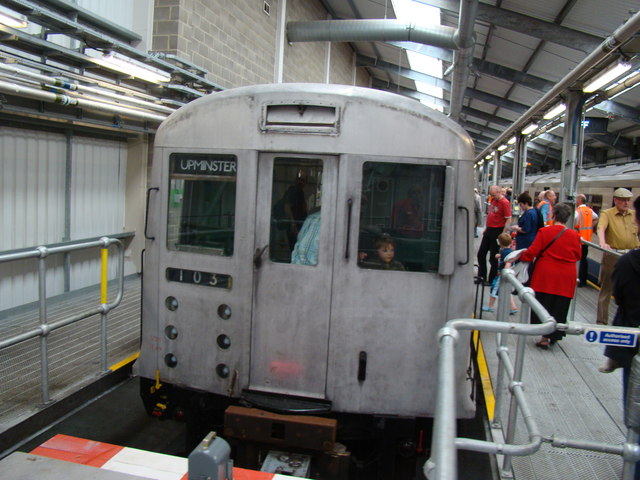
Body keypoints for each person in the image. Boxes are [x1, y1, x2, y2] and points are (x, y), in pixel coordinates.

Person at [520, 203, 581, 349]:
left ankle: (544, 336)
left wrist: (520, 256)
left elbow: (532, 252)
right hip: (567, 277)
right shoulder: (575, 235)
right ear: (567, 218)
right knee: (560, 305)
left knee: (544, 304)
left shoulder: (544, 232)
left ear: (553, 216)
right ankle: (553, 336)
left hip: (545, 275)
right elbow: (578, 255)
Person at [596, 188, 639, 325]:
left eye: (628, 200)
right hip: (613, 255)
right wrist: (602, 243)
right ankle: (602, 322)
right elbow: (601, 228)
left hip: (632, 256)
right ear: (615, 200)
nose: (626, 203)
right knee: (606, 290)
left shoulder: (633, 214)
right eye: (623, 200)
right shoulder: (606, 214)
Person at [477, 185, 512, 284]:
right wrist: (487, 228)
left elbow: (508, 219)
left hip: (497, 231)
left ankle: (491, 279)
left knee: (494, 257)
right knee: (481, 254)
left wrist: (503, 233)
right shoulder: (494, 201)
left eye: (493, 194)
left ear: (499, 192)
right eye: (491, 195)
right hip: (489, 230)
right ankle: (482, 276)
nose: (492, 196)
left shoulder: (505, 203)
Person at [482, 232, 518, 314]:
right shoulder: (508, 251)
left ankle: (490, 306)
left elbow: (508, 262)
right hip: (511, 274)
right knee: (507, 290)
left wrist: (503, 272)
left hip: (502, 275)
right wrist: (499, 255)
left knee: (494, 289)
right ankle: (513, 307)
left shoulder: (505, 252)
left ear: (500, 243)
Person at [574, 194, 598, 287]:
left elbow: (573, 222)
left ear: (579, 201)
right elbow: (596, 218)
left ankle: (578, 279)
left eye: (576, 200)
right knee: (584, 259)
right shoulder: (590, 210)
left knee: (578, 259)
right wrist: (591, 228)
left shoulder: (578, 211)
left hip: (579, 239)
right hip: (587, 239)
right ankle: (584, 280)